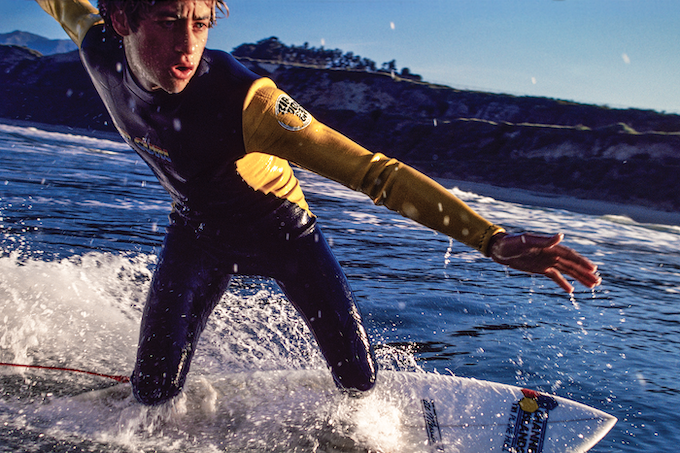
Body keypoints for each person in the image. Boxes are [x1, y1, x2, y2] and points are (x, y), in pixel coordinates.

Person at [36, 0, 601, 405]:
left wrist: (492, 239)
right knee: (152, 391)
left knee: (357, 381)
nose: (187, 45)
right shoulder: (99, 51)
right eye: (166, 21)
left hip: (284, 235)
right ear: (121, 19)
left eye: (201, 24)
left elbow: (376, 173)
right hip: (197, 232)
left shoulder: (251, 102)